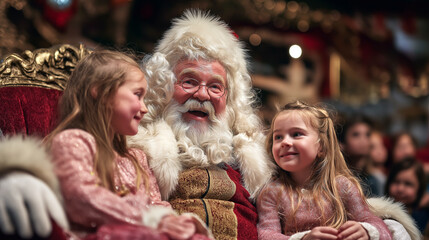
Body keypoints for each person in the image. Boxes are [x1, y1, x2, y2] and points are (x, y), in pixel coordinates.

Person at [0, 10, 273, 240]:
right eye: (189, 81)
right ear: (162, 87)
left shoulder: (255, 158)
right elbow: (69, 186)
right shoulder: (136, 143)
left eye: (215, 87)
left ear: (230, 98)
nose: (202, 95)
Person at [42, 49, 210, 239]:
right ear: (101, 92)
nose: (145, 108)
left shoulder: (136, 157)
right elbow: (81, 198)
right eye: (137, 95)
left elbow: (156, 204)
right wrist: (150, 220)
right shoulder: (72, 142)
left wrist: (172, 222)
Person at [257, 101, 393, 240]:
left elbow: (380, 227)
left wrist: (367, 231)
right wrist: (302, 239)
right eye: (278, 137)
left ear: (321, 146)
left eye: (296, 134)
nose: (284, 142)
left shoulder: (342, 186)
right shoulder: (272, 191)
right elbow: (265, 234)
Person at [385, 157, 429, 237]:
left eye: (408, 184)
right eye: (396, 181)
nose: (400, 189)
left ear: (420, 189)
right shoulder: (383, 215)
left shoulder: (425, 217)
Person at [367, 130, 389, 196]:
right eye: (373, 147)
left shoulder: (386, 172)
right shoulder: (369, 179)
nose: (380, 150)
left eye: (382, 145)